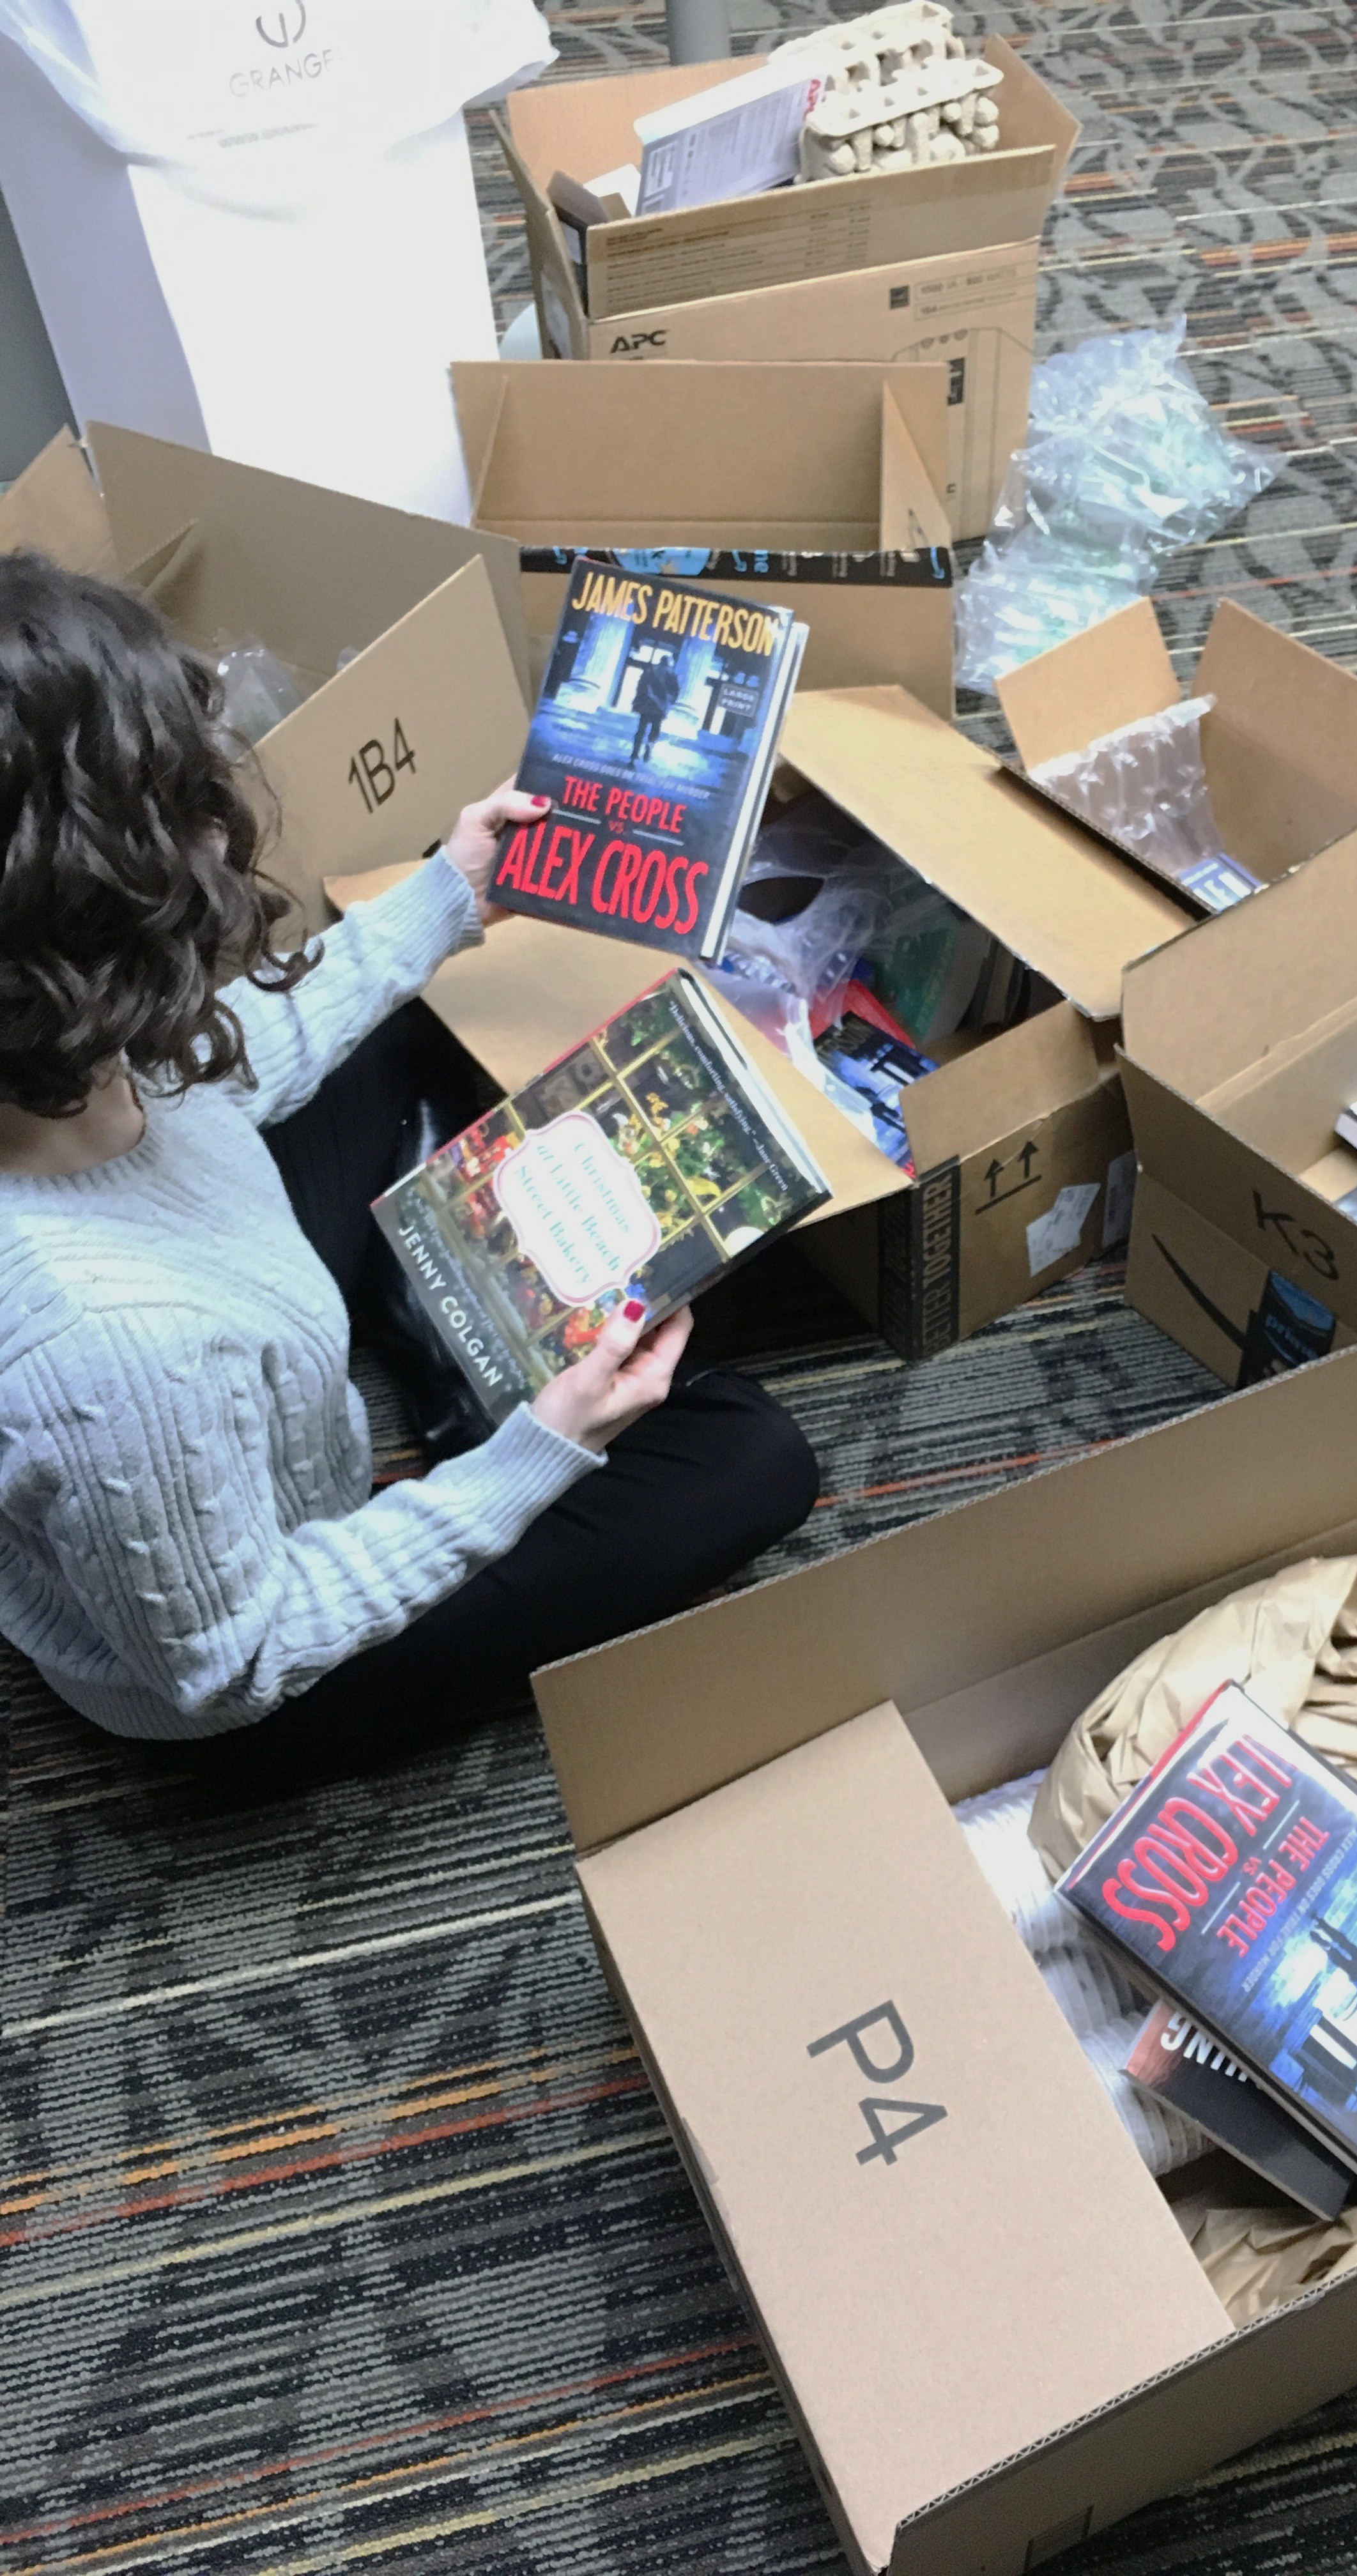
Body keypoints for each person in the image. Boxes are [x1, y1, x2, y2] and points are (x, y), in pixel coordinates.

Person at [0, 552, 818, 1784]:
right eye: (181, 799)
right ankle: (472, 1382)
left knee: (394, 1023)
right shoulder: (107, 1355)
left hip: (209, 1373)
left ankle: (446, 1330)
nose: (220, 823)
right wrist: (538, 1450)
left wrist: (451, 891)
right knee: (750, 1460)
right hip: (260, 1665)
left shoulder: (57, 1044)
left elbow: (227, 1071)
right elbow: (234, 1661)